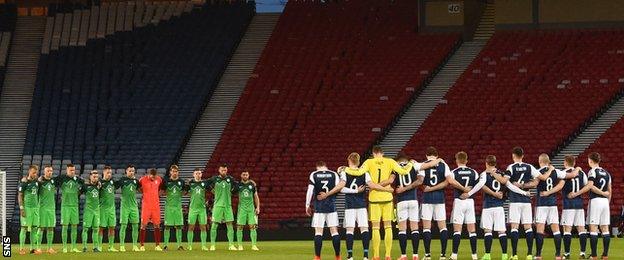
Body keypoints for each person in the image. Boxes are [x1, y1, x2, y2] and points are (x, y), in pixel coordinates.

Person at [344, 146, 439, 260]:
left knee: (375, 228)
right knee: (388, 227)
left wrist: (345, 169)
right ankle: (388, 255)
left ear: (374, 153)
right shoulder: (390, 161)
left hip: (374, 198)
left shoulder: (369, 162)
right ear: (382, 153)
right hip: (388, 197)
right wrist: (409, 164)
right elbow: (403, 171)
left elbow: (358, 172)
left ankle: (376, 255)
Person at [466, 155, 530, 260]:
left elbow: (479, 185)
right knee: (501, 232)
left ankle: (487, 255)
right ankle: (504, 255)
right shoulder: (501, 174)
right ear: (495, 163)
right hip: (499, 206)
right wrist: (524, 193)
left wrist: (468, 194)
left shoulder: (484, 174)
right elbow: (511, 186)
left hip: (488, 206)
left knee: (488, 231)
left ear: (486, 163)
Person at [340, 153, 393, 260]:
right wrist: (387, 189)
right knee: (364, 229)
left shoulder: (344, 172)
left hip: (350, 205)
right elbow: (372, 185)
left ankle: (350, 256)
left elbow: (341, 188)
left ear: (349, 160)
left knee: (350, 230)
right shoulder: (365, 173)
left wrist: (353, 190)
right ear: (359, 162)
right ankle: (365, 255)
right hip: (361, 205)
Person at [533, 154, 579, 260]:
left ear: (540, 161)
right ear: (548, 161)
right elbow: (571, 175)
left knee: (540, 230)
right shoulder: (556, 171)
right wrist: (578, 168)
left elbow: (535, 183)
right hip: (552, 204)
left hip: (541, 204)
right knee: (556, 230)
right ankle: (558, 255)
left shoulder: (537, 172)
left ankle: (538, 255)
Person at [503, 147, 540, 260]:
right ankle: (529, 255)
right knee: (528, 227)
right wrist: (525, 186)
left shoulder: (511, 167)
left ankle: (514, 255)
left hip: (515, 200)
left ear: (513, 156)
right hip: (526, 202)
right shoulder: (530, 167)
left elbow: (505, 180)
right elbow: (537, 181)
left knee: (514, 227)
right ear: (523, 155)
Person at [306, 161, 346, 260]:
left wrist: (307, 205)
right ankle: (337, 256)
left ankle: (317, 257)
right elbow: (339, 188)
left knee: (318, 232)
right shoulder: (333, 174)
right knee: (334, 232)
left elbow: (310, 191)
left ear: (317, 167)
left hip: (319, 207)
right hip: (331, 206)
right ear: (325, 166)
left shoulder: (314, 174)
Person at [419, 147, 451, 260]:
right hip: (440, 198)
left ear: (427, 155)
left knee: (426, 228)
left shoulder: (423, 165)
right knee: (443, 227)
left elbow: (420, 181)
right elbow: (448, 181)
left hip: (427, 198)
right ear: (436, 155)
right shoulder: (444, 164)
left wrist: (428, 188)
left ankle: (427, 255)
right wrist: (436, 188)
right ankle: (443, 255)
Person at [448, 152, 479, 260]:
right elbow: (478, 185)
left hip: (459, 200)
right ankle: (474, 255)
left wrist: (462, 188)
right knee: (472, 230)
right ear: (466, 160)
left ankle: (454, 255)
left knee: (457, 230)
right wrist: (469, 191)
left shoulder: (453, 172)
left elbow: (451, 181)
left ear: (457, 160)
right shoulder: (474, 172)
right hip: (470, 201)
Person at [393, 153, 424, 260]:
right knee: (414, 228)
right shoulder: (413, 165)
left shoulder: (395, 168)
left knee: (402, 229)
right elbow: (420, 180)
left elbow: (391, 180)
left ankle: (403, 256)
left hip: (401, 201)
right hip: (413, 200)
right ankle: (415, 255)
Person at [560, 156, 589, 259]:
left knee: (567, 229)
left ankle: (567, 253)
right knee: (581, 229)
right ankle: (582, 253)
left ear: (565, 163)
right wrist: (577, 193)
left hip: (568, 204)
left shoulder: (564, 173)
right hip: (579, 204)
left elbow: (560, 186)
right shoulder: (582, 173)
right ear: (574, 162)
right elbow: (587, 185)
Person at [585, 152, 611, 259]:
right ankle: (605, 255)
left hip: (595, 200)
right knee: (605, 228)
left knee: (593, 227)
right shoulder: (607, 173)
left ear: (591, 160)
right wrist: (607, 201)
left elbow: (591, 186)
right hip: (605, 202)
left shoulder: (592, 171)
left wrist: (601, 193)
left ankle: (594, 255)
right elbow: (610, 190)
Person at [207, 164, 238, 251]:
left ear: (226, 170)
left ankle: (231, 245)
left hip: (228, 206)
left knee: (230, 225)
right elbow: (206, 184)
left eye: (225, 170)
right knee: (214, 225)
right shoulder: (214, 179)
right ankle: (212, 245)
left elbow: (237, 187)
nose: (224, 172)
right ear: (219, 170)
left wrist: (231, 193)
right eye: (222, 170)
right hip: (217, 206)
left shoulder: (231, 179)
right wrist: (212, 190)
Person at [116, 164, 141, 252]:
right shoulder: (122, 180)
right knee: (123, 226)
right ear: (126, 171)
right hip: (125, 206)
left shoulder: (136, 181)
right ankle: (122, 246)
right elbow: (114, 187)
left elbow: (141, 190)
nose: (131, 172)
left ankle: (135, 246)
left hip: (134, 206)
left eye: (133, 171)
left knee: (135, 226)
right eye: (130, 171)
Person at [58, 164, 82, 253]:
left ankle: (73, 247)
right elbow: (50, 181)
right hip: (65, 206)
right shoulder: (62, 178)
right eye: (71, 170)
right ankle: (64, 247)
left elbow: (86, 185)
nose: (72, 172)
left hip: (74, 206)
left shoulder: (78, 179)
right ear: (67, 170)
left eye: (73, 170)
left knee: (74, 226)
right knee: (65, 226)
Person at [162, 165, 186, 251]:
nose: (174, 173)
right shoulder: (166, 181)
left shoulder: (181, 182)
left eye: (176, 171)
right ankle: (165, 246)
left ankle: (179, 245)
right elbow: (162, 192)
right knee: (167, 226)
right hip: (169, 207)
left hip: (178, 207)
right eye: (173, 171)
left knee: (179, 226)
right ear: (170, 172)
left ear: (178, 172)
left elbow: (184, 192)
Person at [139, 168, 164, 251]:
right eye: (152, 176)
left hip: (155, 206)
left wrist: (157, 196)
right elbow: (138, 188)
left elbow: (161, 189)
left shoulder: (159, 179)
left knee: (157, 225)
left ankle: (157, 245)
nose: (153, 178)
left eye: (154, 176)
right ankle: (142, 245)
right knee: (143, 225)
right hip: (146, 206)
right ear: (149, 174)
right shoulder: (142, 180)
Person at [235, 170, 261, 251]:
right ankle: (240, 245)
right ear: (241, 175)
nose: (245, 176)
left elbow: (256, 197)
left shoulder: (252, 185)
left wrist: (258, 207)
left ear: (248, 175)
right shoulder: (238, 185)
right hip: (241, 209)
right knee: (239, 227)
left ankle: (254, 245)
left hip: (251, 209)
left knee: (253, 227)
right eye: (243, 174)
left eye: (246, 174)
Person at [18, 165, 41, 255]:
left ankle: (32, 249)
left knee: (35, 228)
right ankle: (21, 249)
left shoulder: (37, 182)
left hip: (35, 209)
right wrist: (21, 208)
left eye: (36, 173)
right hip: (27, 208)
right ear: (29, 172)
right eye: (33, 172)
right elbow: (20, 196)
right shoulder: (24, 182)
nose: (35, 174)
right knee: (24, 228)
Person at [187, 168, 210, 251]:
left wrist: (208, 201)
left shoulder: (205, 183)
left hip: (202, 209)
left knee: (203, 227)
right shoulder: (190, 183)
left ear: (201, 174)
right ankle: (189, 246)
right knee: (191, 227)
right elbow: (185, 192)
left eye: (199, 173)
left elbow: (212, 190)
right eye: (196, 173)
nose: (198, 175)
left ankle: (203, 246)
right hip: (192, 208)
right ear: (193, 175)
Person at [37, 165, 57, 254]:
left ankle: (49, 248)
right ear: (44, 172)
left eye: (51, 171)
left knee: (50, 228)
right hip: (42, 208)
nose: (50, 172)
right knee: (41, 228)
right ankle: (38, 248)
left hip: (51, 208)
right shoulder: (40, 182)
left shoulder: (53, 181)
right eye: (48, 171)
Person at [99, 166, 118, 252]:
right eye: (107, 173)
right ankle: (99, 246)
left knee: (112, 227)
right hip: (103, 208)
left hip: (112, 209)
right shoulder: (99, 183)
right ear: (103, 172)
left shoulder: (112, 182)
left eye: (110, 173)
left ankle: (111, 246)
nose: (109, 174)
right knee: (101, 227)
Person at [82, 170, 101, 252]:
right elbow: (78, 193)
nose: (95, 178)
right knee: (85, 229)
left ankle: (95, 247)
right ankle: (84, 247)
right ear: (90, 177)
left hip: (97, 210)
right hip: (88, 210)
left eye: (97, 177)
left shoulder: (100, 185)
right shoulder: (86, 186)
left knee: (96, 229)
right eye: (94, 176)